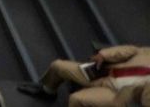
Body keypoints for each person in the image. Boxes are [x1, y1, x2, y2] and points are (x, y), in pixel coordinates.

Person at [18, 44, 150, 104]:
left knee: (76, 99)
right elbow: (131, 50)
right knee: (58, 66)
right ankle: (48, 91)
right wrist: (104, 55)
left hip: (116, 95)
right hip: (105, 74)